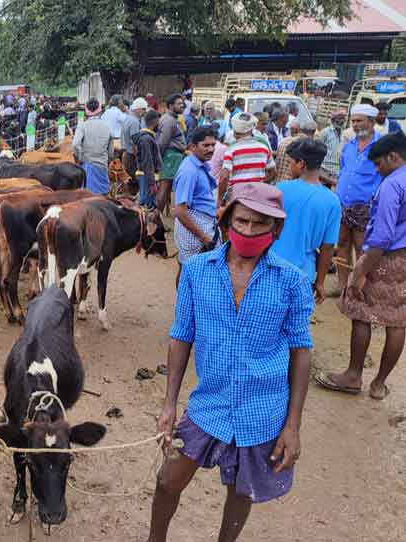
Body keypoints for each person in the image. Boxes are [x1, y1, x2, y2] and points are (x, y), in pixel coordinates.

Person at [149, 181, 313, 542]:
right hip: (209, 404)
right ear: (226, 222)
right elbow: (181, 336)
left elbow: (302, 351)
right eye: (242, 221)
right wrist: (169, 403)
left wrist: (293, 425)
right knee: (167, 481)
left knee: (242, 493)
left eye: (261, 224)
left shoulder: (293, 282)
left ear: (277, 230)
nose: (249, 231)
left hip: (262, 412)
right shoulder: (196, 272)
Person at [316, 132, 406, 400]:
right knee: (398, 321)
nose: (377, 171)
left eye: (378, 164)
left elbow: (383, 235)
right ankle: (379, 384)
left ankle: (354, 375)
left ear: (393, 156)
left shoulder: (392, 185)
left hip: (384, 257)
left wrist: (359, 272)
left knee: (360, 312)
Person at [271, 139, 341, 303]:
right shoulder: (332, 201)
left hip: (272, 267)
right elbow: (328, 247)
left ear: (301, 163)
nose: (289, 167)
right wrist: (321, 282)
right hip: (304, 274)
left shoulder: (280, 190)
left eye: (290, 163)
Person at [335, 103, 382, 289]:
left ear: (371, 122)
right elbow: (343, 171)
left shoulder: (380, 146)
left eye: (359, 121)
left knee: (362, 246)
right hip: (342, 203)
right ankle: (343, 285)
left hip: (365, 206)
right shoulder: (349, 146)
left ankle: (359, 285)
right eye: (353, 121)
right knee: (341, 242)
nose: (355, 125)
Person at [172, 126, 218, 284]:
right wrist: (204, 237)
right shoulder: (189, 171)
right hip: (195, 229)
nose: (211, 149)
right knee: (191, 273)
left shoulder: (198, 165)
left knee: (191, 272)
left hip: (201, 224)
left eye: (213, 145)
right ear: (192, 147)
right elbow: (179, 210)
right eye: (206, 145)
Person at [218, 113, 275, 209]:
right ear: (251, 129)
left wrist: (220, 199)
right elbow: (273, 172)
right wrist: (259, 183)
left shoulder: (231, 149)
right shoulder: (263, 147)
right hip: (258, 196)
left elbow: (224, 177)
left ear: (235, 132)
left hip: (237, 196)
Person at [73, 97, 112, 195]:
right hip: (102, 166)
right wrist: (107, 159)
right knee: (103, 196)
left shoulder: (82, 126)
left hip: (87, 166)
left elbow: (75, 144)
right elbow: (111, 152)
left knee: (87, 197)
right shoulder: (107, 127)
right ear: (100, 110)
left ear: (86, 111)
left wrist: (80, 157)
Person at [156, 94, 187, 214]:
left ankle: (160, 214)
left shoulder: (173, 119)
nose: (182, 106)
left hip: (173, 156)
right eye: (179, 104)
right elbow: (163, 142)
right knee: (165, 186)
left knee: (167, 187)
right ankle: (155, 216)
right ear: (170, 106)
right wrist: (159, 160)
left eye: (182, 103)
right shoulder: (169, 121)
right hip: (170, 157)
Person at [133, 109, 161, 208]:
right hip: (147, 177)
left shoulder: (148, 137)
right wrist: (152, 183)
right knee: (146, 206)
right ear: (155, 122)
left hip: (147, 177)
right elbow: (147, 162)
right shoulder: (146, 139)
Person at [318, 110, 346, 188]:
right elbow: (318, 150)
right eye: (339, 118)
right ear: (333, 120)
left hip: (337, 171)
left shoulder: (344, 133)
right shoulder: (325, 132)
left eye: (343, 119)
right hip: (325, 169)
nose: (341, 121)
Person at [120, 98, 146, 182]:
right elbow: (135, 143)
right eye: (143, 109)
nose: (145, 112)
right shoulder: (134, 122)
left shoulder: (128, 119)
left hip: (126, 153)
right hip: (131, 156)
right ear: (138, 109)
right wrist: (139, 159)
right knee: (134, 181)